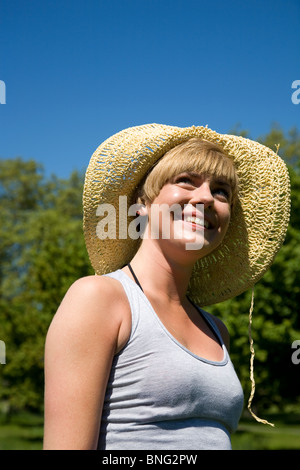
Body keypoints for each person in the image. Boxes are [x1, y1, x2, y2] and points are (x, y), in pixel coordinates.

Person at [43, 123, 290, 450]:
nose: (206, 198)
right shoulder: (100, 298)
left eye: (221, 191)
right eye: (185, 180)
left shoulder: (216, 330)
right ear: (142, 204)